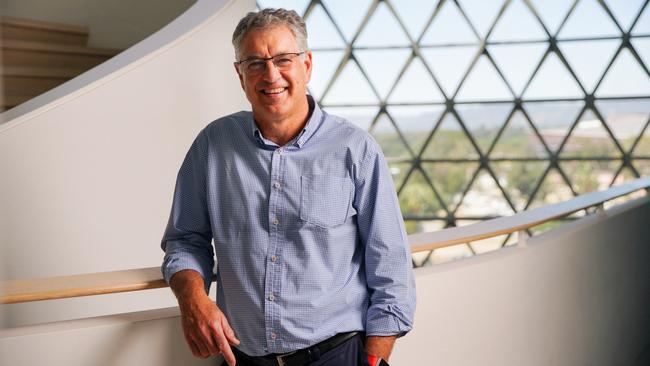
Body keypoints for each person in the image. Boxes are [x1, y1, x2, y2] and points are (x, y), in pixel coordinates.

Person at [161, 8, 415, 366]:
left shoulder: (355, 149)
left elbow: (390, 266)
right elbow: (185, 239)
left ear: (307, 65)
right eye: (254, 63)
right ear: (240, 74)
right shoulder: (212, 145)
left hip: (336, 356)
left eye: (283, 59)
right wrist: (192, 297)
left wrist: (374, 360)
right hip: (242, 358)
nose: (270, 74)